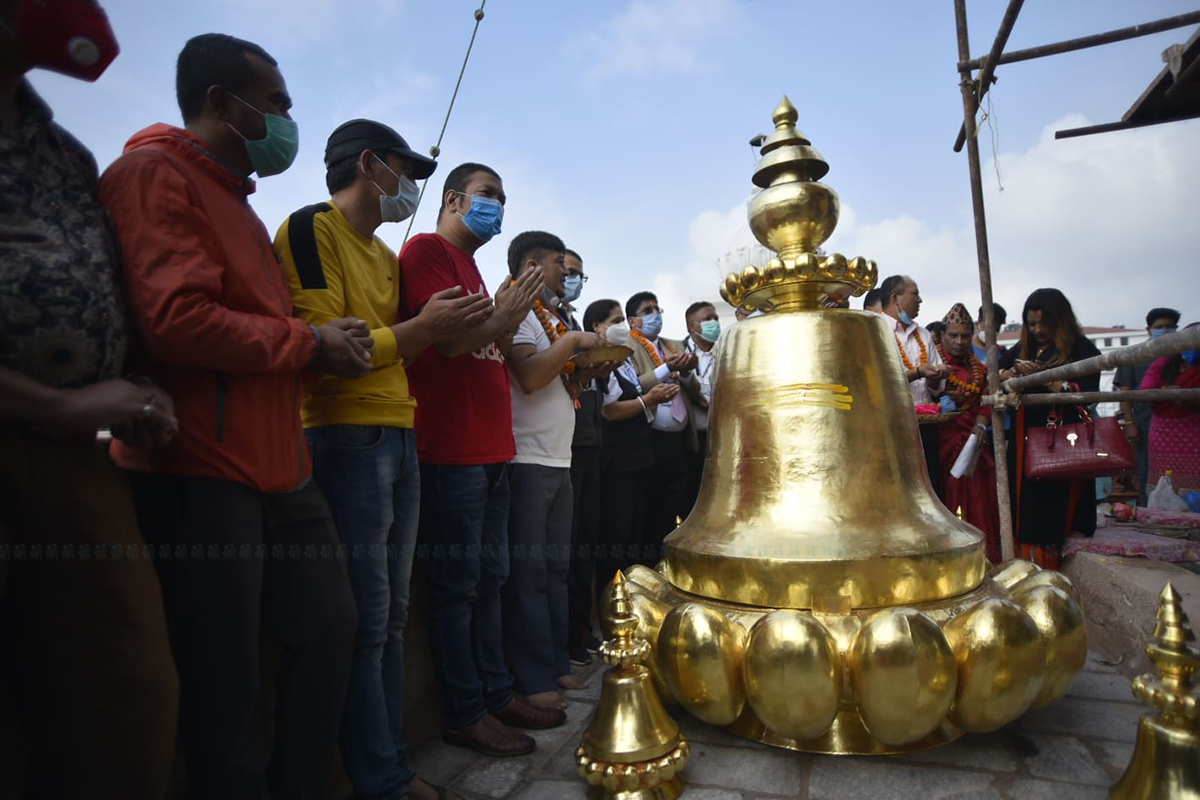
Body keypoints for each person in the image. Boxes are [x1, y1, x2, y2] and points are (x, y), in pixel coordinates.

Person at [97, 34, 367, 800]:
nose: (286, 121)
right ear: (221, 103)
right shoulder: (152, 175)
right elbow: (176, 320)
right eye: (276, 104)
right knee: (223, 682)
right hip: (200, 467)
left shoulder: (236, 198)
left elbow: (256, 327)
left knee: (330, 630)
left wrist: (310, 345)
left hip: (281, 467)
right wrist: (307, 340)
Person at [275, 120, 493, 800]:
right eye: (407, 171)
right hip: (347, 436)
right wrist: (422, 331)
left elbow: (384, 341)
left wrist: (433, 332)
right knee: (368, 618)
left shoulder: (379, 254)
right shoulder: (311, 229)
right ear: (369, 165)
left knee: (394, 616)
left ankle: (391, 757)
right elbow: (329, 350)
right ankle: (380, 775)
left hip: (397, 433)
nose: (412, 189)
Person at [0, 3, 179, 797]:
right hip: (40, 428)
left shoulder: (61, 149)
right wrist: (53, 403)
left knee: (128, 694)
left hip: (75, 461)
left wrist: (135, 389)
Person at [398, 162, 564, 758]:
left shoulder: (472, 269)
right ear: (453, 199)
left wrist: (501, 315)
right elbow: (450, 341)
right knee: (457, 588)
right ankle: (464, 710)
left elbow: (485, 338)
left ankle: (496, 693)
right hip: (451, 449)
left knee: (491, 581)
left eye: (502, 199)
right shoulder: (427, 252)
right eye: (488, 195)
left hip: (494, 448)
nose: (497, 207)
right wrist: (506, 315)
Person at [502, 231, 606, 710]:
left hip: (559, 457)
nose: (567, 273)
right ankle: (533, 676)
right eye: (559, 264)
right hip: (527, 458)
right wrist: (571, 343)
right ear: (530, 265)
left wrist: (585, 365)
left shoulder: (553, 318)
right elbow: (528, 377)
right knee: (529, 573)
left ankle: (557, 665)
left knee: (556, 571)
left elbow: (559, 379)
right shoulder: (518, 309)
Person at [999, 288, 1102, 569]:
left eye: (1044, 323)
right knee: (1024, 502)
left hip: (1062, 438)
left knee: (1052, 505)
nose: (1038, 330)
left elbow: (1088, 391)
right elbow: (994, 373)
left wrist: (1042, 378)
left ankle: (1052, 567)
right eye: (1031, 324)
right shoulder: (1024, 349)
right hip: (1024, 438)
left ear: (1060, 320)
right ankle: (1022, 566)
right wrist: (1011, 374)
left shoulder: (1081, 349)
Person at [584, 300, 679, 596]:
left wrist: (652, 396)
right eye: (615, 320)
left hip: (639, 457)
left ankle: (635, 600)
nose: (622, 326)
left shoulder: (622, 361)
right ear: (597, 328)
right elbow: (610, 411)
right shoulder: (598, 362)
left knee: (634, 535)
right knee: (616, 536)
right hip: (618, 461)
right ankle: (611, 603)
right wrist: (649, 399)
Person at [625, 291, 701, 563]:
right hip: (650, 438)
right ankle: (653, 563)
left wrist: (688, 371)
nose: (655, 314)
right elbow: (632, 385)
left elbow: (693, 389)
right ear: (633, 322)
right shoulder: (628, 346)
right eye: (648, 311)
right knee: (653, 505)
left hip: (680, 439)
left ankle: (676, 558)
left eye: (657, 309)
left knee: (679, 503)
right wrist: (664, 369)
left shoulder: (674, 346)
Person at [562, 248, 604, 666]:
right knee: (568, 548)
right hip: (562, 448)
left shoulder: (567, 321)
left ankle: (581, 630)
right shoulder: (544, 321)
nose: (571, 279)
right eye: (567, 271)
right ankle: (570, 640)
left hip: (588, 442)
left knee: (585, 542)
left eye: (577, 274)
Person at [935, 305, 1000, 562]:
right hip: (944, 441)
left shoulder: (978, 368)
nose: (959, 341)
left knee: (980, 498)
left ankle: (981, 558)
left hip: (974, 443)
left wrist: (981, 424)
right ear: (942, 336)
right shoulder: (934, 365)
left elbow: (986, 400)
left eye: (964, 335)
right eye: (953, 335)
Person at [880, 274, 949, 495]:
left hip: (926, 425)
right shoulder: (875, 329)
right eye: (915, 294)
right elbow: (880, 379)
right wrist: (917, 372)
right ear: (895, 298)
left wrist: (936, 375)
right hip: (892, 427)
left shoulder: (924, 334)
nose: (920, 300)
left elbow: (937, 387)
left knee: (930, 487)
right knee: (899, 490)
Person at [1115, 307, 1181, 505]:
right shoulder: (1135, 355)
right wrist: (1129, 423)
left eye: (1169, 327)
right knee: (1147, 475)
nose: (1164, 330)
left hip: (1183, 426)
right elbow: (1124, 393)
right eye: (1159, 327)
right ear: (1149, 329)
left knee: (1183, 475)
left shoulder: (1184, 355)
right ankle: (1149, 517)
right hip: (1146, 426)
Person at [1139, 322, 1200, 494]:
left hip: (1195, 428)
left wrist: (1189, 397)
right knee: (1165, 480)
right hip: (1165, 432)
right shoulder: (1165, 362)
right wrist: (1166, 394)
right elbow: (1145, 391)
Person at [683, 301, 721, 507]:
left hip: (720, 438)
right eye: (707, 319)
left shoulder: (727, 352)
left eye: (715, 318)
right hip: (689, 439)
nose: (714, 323)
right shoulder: (676, 350)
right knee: (690, 497)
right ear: (692, 326)